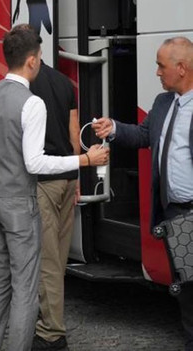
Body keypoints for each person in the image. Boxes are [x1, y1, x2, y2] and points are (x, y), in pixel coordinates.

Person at [0, 25, 108, 351]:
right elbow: (35, 163)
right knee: (26, 286)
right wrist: (84, 162)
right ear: (32, 61)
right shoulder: (31, 103)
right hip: (18, 203)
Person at [93, 36, 193, 351]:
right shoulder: (164, 103)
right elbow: (145, 134)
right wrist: (115, 129)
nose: (157, 73)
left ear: (181, 68)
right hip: (178, 214)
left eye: (161, 66)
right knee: (187, 286)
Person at [31, 60, 80, 351]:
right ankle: (49, 315)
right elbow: (75, 134)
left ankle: (52, 333)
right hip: (67, 178)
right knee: (58, 260)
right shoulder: (64, 83)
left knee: (47, 260)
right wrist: (77, 177)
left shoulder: (25, 84)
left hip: (44, 181)